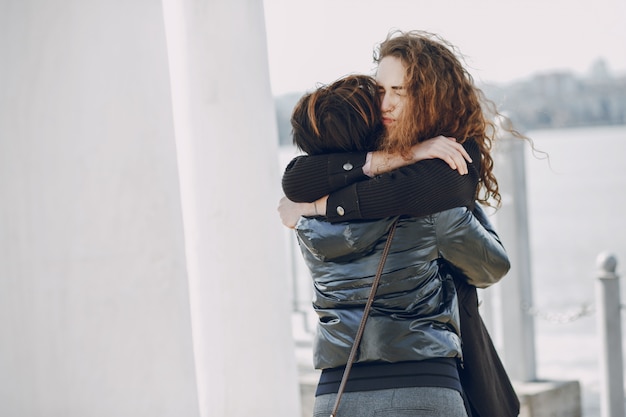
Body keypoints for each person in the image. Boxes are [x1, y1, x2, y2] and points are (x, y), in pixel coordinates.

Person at [279, 30, 521, 417]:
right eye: (380, 92)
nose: (387, 104)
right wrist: (456, 199)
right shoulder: (434, 204)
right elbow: (492, 266)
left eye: (400, 91)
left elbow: (295, 180)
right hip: (422, 386)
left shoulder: (311, 209)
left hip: (335, 393)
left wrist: (322, 205)